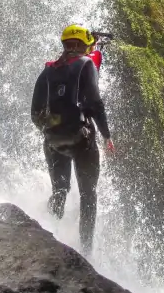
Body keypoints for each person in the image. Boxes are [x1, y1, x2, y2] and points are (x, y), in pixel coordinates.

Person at [31, 24, 115, 253]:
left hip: (53, 141)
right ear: (82, 45)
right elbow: (95, 103)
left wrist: (50, 131)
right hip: (81, 138)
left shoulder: (48, 70)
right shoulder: (86, 63)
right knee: (88, 194)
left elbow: (35, 110)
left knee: (59, 190)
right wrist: (107, 135)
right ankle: (86, 251)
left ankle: (46, 236)